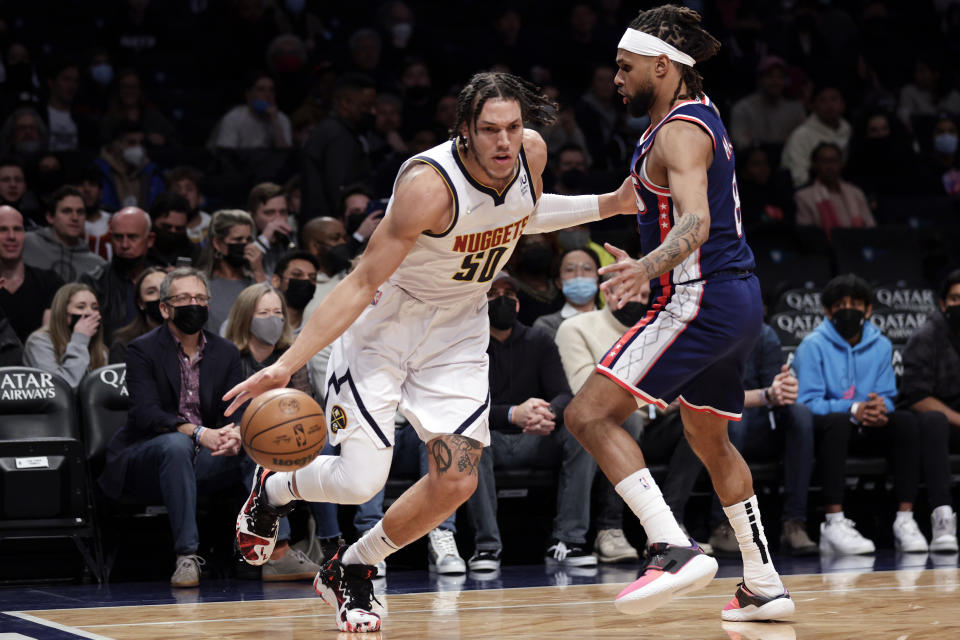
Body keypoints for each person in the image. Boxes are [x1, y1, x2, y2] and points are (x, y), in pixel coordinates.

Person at [226, 71, 637, 633]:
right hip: (387, 325)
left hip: (458, 329)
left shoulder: (529, 155)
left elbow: (522, 213)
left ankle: (355, 565)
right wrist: (284, 365)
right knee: (360, 481)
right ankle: (273, 488)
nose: (504, 141)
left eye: (513, 127)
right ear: (464, 129)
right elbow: (358, 281)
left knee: (458, 480)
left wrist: (611, 202)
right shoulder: (428, 184)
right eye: (490, 129)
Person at [561, 6, 794, 622]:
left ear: (662, 66)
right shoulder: (692, 118)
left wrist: (649, 265)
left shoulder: (678, 131)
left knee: (587, 414)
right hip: (735, 300)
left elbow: (696, 220)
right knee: (708, 437)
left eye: (625, 66)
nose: (615, 78)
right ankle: (764, 580)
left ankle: (671, 546)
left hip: (700, 298)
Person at [98, 267, 245, 588]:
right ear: (165, 308)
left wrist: (234, 433)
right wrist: (197, 432)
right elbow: (145, 414)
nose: (193, 304)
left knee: (257, 446)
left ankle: (274, 551)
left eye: (199, 298)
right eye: (183, 298)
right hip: (146, 455)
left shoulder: (226, 351)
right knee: (176, 446)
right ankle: (187, 555)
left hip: (204, 454)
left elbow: (235, 408)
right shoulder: (142, 350)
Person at [555, 278, 702, 561]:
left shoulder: (658, 330)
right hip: (602, 427)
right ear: (609, 293)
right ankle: (609, 529)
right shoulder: (576, 327)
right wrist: (657, 396)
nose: (640, 301)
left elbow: (681, 387)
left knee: (698, 420)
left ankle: (670, 525)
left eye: (646, 295)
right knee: (623, 421)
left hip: (653, 424)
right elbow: (582, 392)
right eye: (633, 293)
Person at [793, 274, 933, 555]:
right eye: (841, 304)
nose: (849, 310)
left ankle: (905, 519)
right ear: (828, 311)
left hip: (869, 425)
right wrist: (853, 408)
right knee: (837, 421)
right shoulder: (812, 345)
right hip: (830, 429)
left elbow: (889, 395)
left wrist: (881, 408)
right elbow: (807, 401)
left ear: (868, 310)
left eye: (856, 304)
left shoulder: (881, 345)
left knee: (905, 421)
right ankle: (834, 522)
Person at [467, 271, 593, 571]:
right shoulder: (465, 346)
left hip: (534, 437)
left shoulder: (539, 340)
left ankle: (568, 540)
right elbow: (464, 408)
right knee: (469, 440)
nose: (502, 300)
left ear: (519, 304)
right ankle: (486, 547)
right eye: (492, 294)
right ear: (478, 303)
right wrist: (512, 413)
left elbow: (564, 393)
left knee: (582, 435)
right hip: (490, 437)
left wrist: (547, 412)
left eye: (509, 295)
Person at [223, 282, 322, 581]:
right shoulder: (229, 356)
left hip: (289, 438)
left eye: (277, 312)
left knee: (324, 450)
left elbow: (306, 405)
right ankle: (279, 551)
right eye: (263, 312)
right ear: (245, 317)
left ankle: (330, 544)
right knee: (262, 456)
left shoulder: (290, 358)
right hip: (239, 441)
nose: (272, 319)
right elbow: (224, 408)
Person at [705, 325, 817, 557]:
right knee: (733, 418)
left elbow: (773, 389)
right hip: (717, 424)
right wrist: (766, 395)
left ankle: (793, 523)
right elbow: (715, 396)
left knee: (801, 414)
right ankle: (723, 525)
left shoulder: (764, 334)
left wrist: (783, 388)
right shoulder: (706, 331)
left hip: (761, 424)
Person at [892, 268, 960, 553]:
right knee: (933, 421)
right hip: (935, 423)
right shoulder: (927, 335)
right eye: (955, 299)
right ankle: (942, 516)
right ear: (943, 303)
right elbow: (917, 396)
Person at [300, 73, 376, 222]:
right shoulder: (338, 135)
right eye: (365, 105)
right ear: (346, 103)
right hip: (328, 225)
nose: (372, 112)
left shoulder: (335, 130)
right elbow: (338, 187)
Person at [81, 207, 154, 342]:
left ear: (150, 239)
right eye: (118, 237)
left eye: (132, 237)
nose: (124, 245)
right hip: (108, 360)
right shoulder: (93, 282)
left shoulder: (164, 282)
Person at [23, 282, 107, 389]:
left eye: (95, 308)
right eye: (81, 307)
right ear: (63, 313)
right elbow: (59, 389)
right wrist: (80, 340)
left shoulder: (100, 350)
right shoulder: (39, 342)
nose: (91, 313)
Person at [0, 205, 63, 343]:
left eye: (17, 229)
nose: (11, 237)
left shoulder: (50, 282)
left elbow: (50, 341)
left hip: (37, 363)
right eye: (3, 229)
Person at [197, 210, 266, 333]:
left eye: (248, 239)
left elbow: (271, 317)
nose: (245, 245)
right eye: (238, 240)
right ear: (217, 243)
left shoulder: (257, 280)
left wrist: (258, 271)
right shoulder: (200, 285)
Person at [23, 186, 106, 282]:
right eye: (67, 211)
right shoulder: (26, 243)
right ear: (50, 217)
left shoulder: (97, 266)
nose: (75, 217)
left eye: (80, 212)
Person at [794, 143, 875, 238]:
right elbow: (807, 235)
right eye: (825, 161)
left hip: (858, 246)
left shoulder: (855, 192)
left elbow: (871, 227)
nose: (830, 166)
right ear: (815, 165)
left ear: (841, 164)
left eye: (834, 161)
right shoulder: (804, 197)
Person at [781, 84, 852, 188]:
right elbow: (799, 176)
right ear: (813, 106)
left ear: (843, 104)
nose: (829, 105)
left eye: (834, 99)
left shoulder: (849, 130)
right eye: (823, 100)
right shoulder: (801, 135)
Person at [729, 56, 805, 150]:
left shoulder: (795, 110)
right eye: (770, 76)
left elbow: (803, 142)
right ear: (759, 80)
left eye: (780, 76)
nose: (775, 81)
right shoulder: (743, 108)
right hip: (752, 159)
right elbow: (738, 141)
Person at [95, 119, 165, 210]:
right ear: (116, 145)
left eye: (141, 143)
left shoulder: (152, 173)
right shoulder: (99, 172)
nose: (138, 148)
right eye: (132, 142)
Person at [532, 247, 601, 340]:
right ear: (558, 282)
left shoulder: (614, 321)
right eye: (570, 269)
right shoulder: (546, 325)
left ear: (598, 281)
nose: (579, 275)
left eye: (587, 268)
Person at [213, 71, 292, 149]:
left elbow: (285, 156)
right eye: (261, 90)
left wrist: (275, 121)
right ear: (248, 95)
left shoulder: (281, 119)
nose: (268, 95)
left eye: (271, 90)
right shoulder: (233, 118)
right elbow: (225, 155)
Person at [109, 266, 166, 364]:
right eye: (151, 292)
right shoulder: (124, 345)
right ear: (141, 303)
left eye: (165, 289)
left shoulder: (191, 337)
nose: (160, 296)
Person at [249, 182, 293, 276]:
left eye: (283, 212)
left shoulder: (289, 239)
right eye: (269, 213)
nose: (278, 218)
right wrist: (265, 238)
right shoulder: (242, 239)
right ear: (252, 216)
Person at [146, 192, 198, 269]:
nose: (173, 231)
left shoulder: (197, 255)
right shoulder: (140, 252)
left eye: (179, 228)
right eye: (166, 227)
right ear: (152, 221)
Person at [166, 166, 211, 247]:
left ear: (200, 197)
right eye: (177, 190)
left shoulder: (212, 227)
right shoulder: (161, 227)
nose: (183, 193)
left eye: (189, 189)